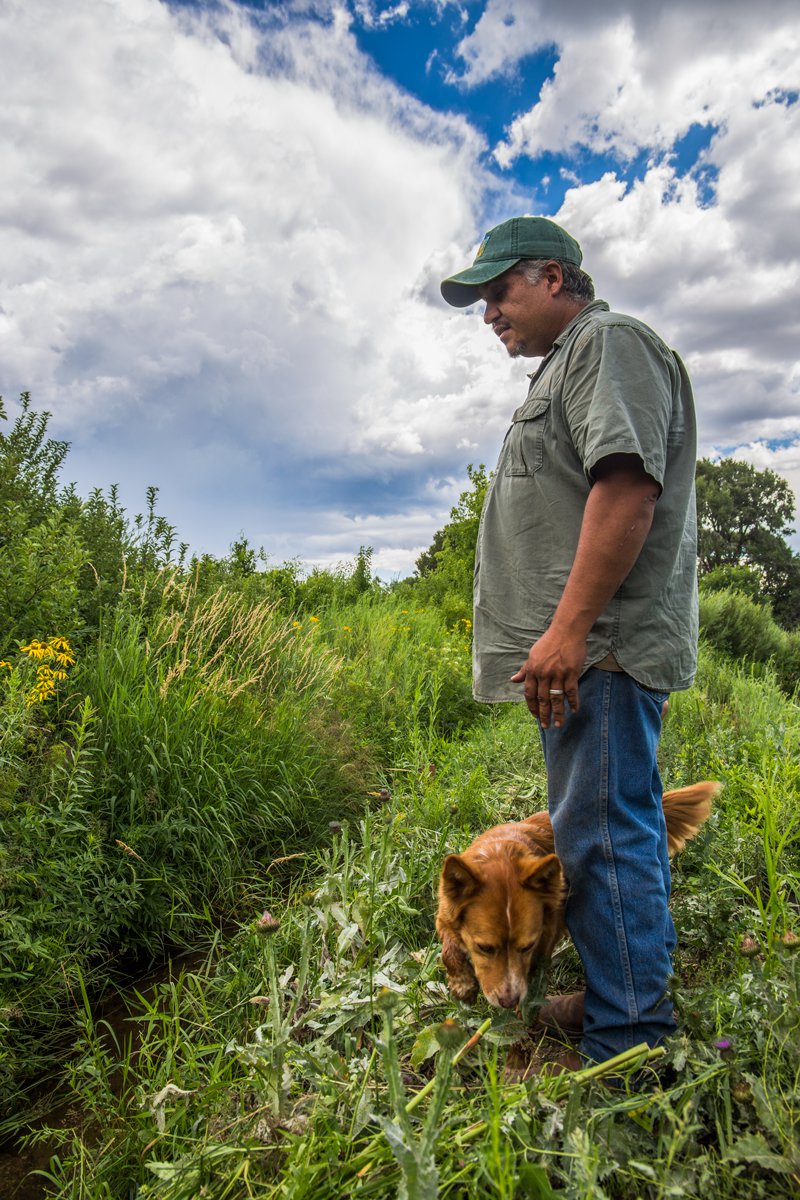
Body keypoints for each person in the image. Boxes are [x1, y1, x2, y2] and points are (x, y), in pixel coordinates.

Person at [440, 217, 698, 1070]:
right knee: (592, 830)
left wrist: (568, 629)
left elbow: (626, 490)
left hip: (602, 650)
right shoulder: (571, 363)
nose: (488, 314)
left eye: (498, 291)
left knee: (603, 836)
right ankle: (616, 999)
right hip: (581, 656)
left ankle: (631, 1040)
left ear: (553, 276)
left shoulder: (609, 344)